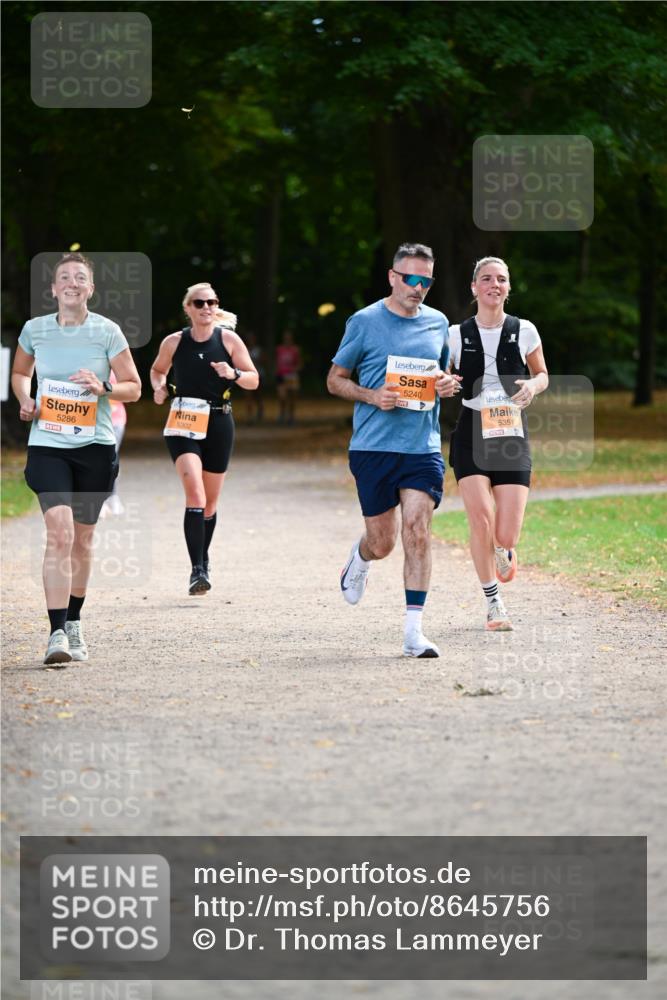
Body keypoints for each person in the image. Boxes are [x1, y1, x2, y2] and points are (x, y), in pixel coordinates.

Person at [327, 242, 460, 658]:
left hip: (421, 447)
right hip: (373, 447)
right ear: (392, 276)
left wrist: (447, 384)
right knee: (383, 542)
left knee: (418, 531)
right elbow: (334, 380)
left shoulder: (438, 322)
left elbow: (443, 373)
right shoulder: (364, 322)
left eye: (426, 281)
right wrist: (371, 396)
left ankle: (413, 633)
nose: (418, 287)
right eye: (410, 279)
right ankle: (361, 557)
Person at [11, 251, 141, 665]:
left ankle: (74, 623)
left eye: (79, 277)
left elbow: (134, 387)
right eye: (64, 277)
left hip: (95, 449)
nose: (71, 283)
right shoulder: (35, 330)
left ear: (90, 288)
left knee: (83, 542)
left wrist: (104, 386)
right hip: (48, 444)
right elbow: (18, 373)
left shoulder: (107, 332)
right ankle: (55, 634)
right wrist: (25, 398)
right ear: (53, 289)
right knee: (60, 535)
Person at [448, 256, 548, 631]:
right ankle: (493, 603)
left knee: (504, 533)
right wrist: (445, 383)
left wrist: (532, 387)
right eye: (486, 279)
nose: (494, 284)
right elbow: (443, 375)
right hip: (472, 429)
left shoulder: (524, 330)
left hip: (510, 432)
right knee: (481, 520)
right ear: (474, 288)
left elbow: (542, 374)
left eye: (501, 279)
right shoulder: (455, 335)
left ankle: (505, 549)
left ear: (508, 287)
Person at [150, 282, 259, 595]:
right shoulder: (174, 342)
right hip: (183, 419)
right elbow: (157, 370)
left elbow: (253, 380)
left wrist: (233, 374)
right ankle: (197, 570)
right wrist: (159, 387)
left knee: (210, 503)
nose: (206, 308)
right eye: (199, 303)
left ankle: (203, 558)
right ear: (188, 308)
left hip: (219, 420)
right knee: (195, 495)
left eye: (211, 302)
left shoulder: (228, 340)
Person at [99, 371, 126, 517]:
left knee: (110, 459)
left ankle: (112, 497)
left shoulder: (118, 363)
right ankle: (100, 500)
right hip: (95, 421)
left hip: (116, 420)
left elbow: (130, 390)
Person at [275, 330, 302, 425]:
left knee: (292, 399)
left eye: (289, 338)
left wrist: (294, 369)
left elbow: (299, 363)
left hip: (291, 376)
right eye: (285, 338)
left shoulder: (295, 350)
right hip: (281, 375)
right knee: (282, 397)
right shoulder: (279, 349)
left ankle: (291, 417)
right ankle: (282, 414)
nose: (287, 339)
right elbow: (276, 362)